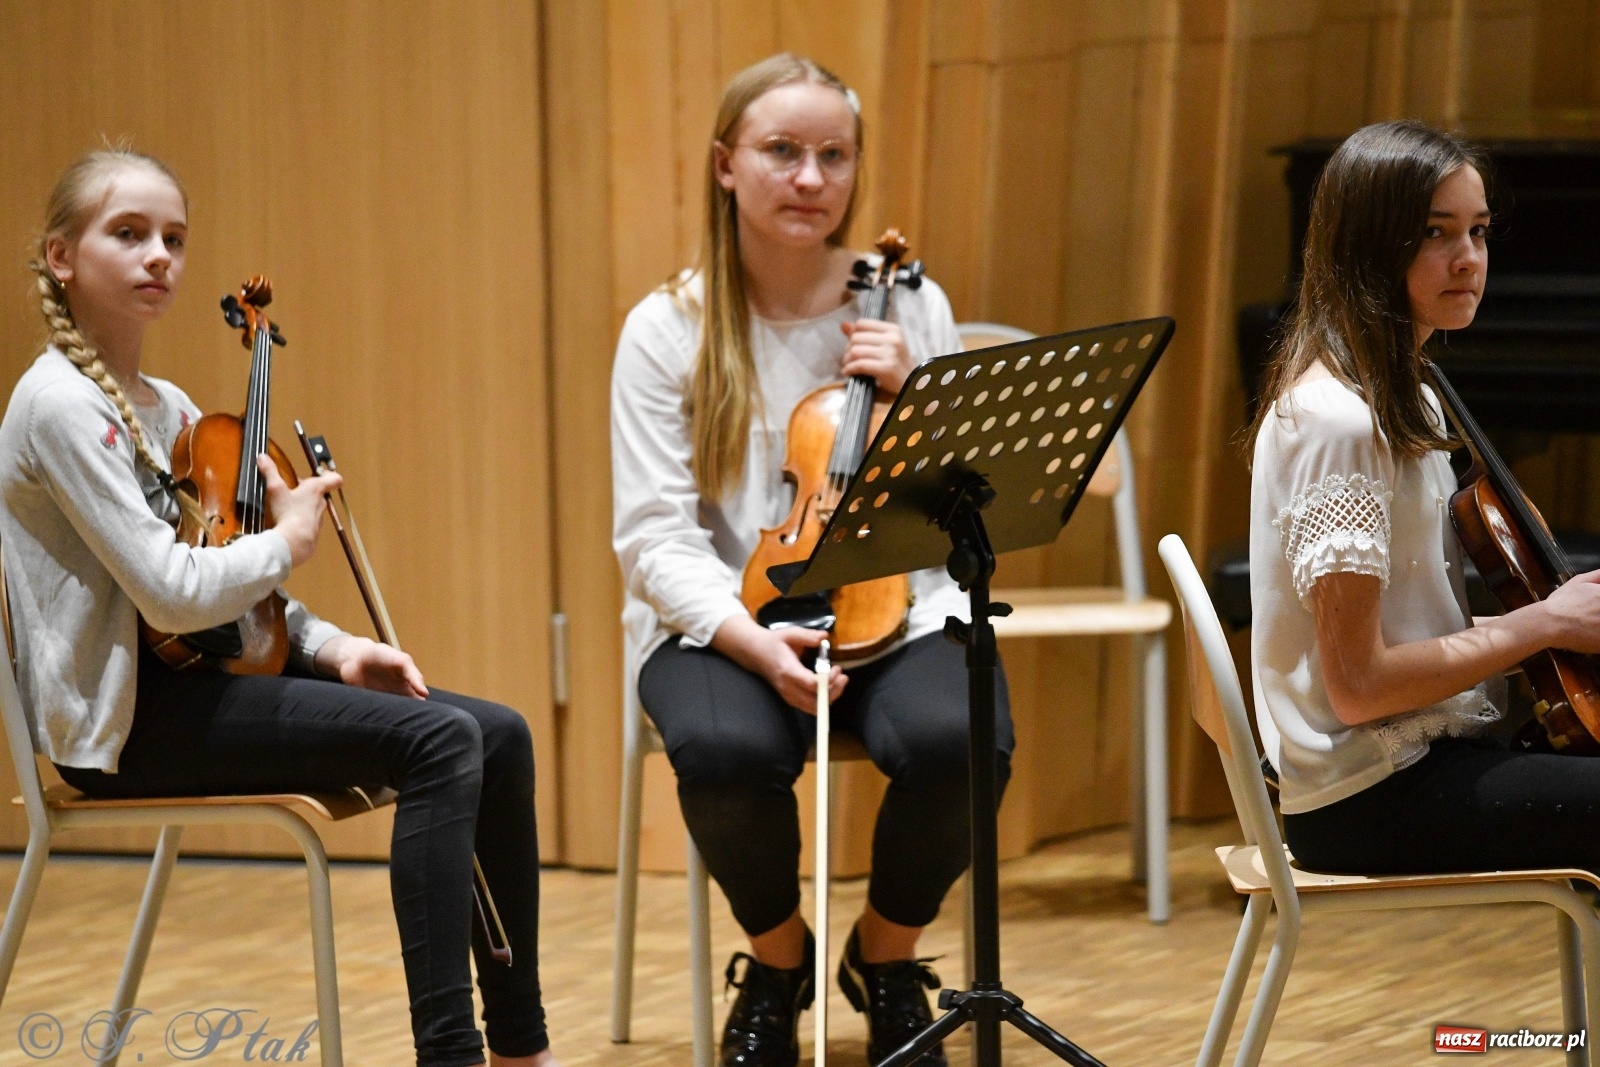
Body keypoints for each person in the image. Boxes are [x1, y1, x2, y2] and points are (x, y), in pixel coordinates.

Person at [0, 147, 559, 1067]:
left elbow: (240, 595)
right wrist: (292, 537)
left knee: (497, 733)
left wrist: (335, 650)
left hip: (195, 685)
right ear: (61, 255)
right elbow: (173, 593)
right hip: (127, 727)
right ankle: (450, 1054)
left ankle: (521, 1049)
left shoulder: (164, 403)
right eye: (128, 234)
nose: (159, 258)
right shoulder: (61, 406)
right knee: (439, 740)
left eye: (173, 239)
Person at [611, 52, 1013, 1067]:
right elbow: (656, 535)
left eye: (833, 155)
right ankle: (778, 961)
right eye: (781, 151)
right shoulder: (668, 328)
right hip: (721, 613)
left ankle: (886, 956)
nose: (809, 178)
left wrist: (919, 392)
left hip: (900, 604)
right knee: (726, 750)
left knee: (963, 737)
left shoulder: (904, 304)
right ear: (724, 166)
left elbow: (959, 505)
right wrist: (754, 644)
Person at [1246, 119, 1600, 876]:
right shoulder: (1342, 420)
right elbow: (1359, 687)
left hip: (1419, 765)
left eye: (1477, 231)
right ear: (1369, 246)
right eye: (1437, 233)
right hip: (1369, 798)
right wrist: (1541, 624)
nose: (1468, 259)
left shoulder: (1406, 394)